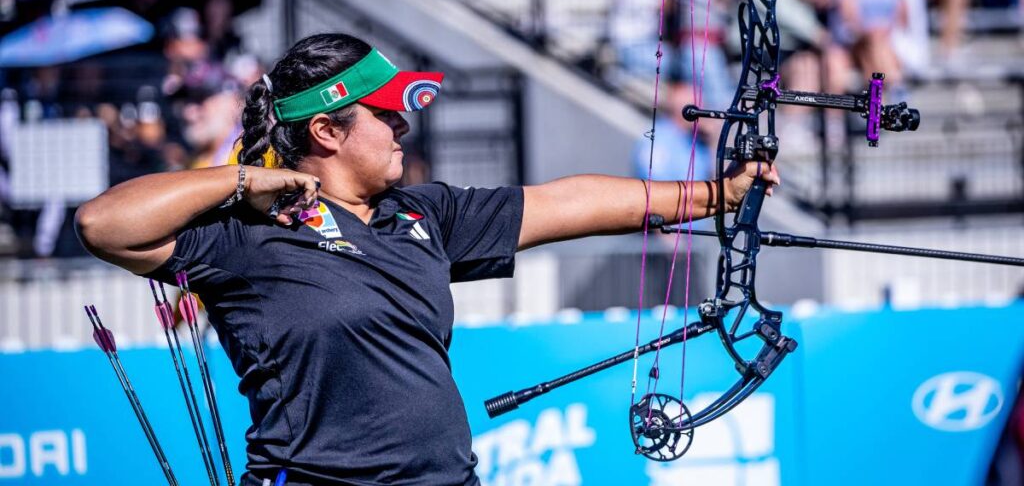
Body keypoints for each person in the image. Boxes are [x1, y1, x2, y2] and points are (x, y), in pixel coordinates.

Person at [74, 33, 779, 485]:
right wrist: (241, 182)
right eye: (384, 114)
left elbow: (566, 204)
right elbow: (103, 224)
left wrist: (715, 195)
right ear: (326, 132)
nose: (402, 124)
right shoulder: (246, 233)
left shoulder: (421, 213)